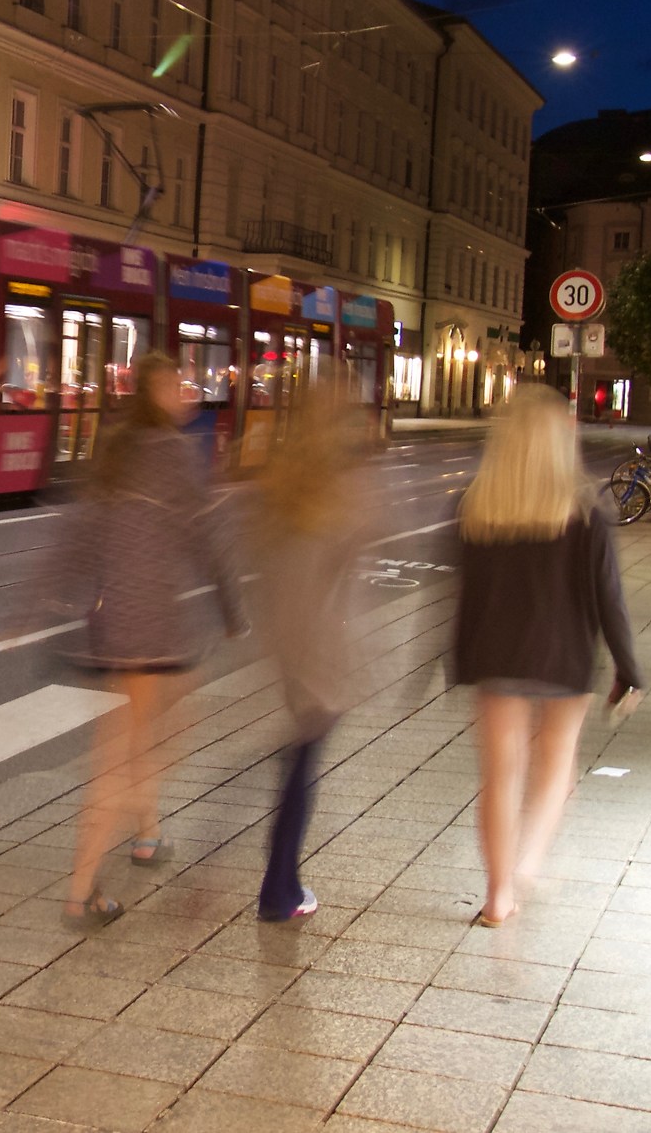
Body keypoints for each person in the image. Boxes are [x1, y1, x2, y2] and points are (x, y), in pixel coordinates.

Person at [60, 350, 244, 930]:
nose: (186, 392)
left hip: (115, 624)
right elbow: (206, 538)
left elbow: (81, 534)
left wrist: (44, 602)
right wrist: (231, 607)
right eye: (176, 384)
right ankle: (81, 890)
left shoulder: (117, 450)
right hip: (153, 628)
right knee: (131, 751)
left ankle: (147, 833)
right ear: (157, 393)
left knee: (142, 736)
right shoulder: (171, 455)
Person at [452, 382, 644, 928]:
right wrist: (629, 670)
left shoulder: (478, 506)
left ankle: (497, 896)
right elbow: (611, 600)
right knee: (556, 765)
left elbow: (466, 594)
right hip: (563, 656)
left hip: (496, 654)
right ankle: (529, 862)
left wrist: (459, 658)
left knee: (499, 776)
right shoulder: (587, 513)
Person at [245, 380, 377, 923]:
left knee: (300, 754)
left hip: (287, 639)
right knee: (302, 759)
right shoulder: (341, 489)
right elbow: (347, 575)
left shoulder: (275, 484)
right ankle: (279, 887)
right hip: (319, 644)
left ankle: (282, 875)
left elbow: (263, 569)